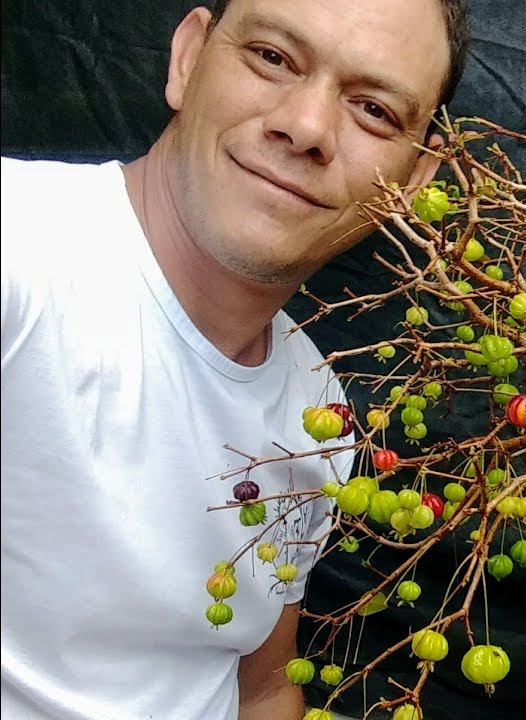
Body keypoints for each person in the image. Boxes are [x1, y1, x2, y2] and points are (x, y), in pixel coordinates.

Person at [0, 0, 469, 717]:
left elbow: (265, 687)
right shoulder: (19, 249)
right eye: (274, 58)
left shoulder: (320, 410)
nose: (306, 127)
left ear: (411, 182)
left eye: (373, 109)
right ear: (188, 57)